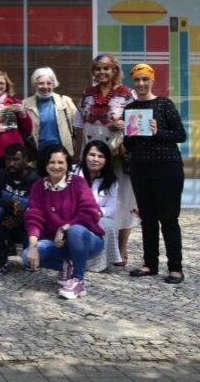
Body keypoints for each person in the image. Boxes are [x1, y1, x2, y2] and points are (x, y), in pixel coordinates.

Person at [123, 63, 187, 284]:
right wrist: (128, 131)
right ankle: (150, 264)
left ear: (152, 80)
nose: (141, 83)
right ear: (133, 82)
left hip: (167, 168)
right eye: (137, 80)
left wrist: (157, 131)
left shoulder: (164, 104)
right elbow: (129, 146)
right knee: (148, 219)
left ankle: (175, 268)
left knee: (168, 219)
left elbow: (181, 135)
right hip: (141, 169)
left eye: (145, 79)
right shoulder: (130, 109)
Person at [75, 53, 137, 267]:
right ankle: (95, 245)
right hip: (92, 154)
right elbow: (79, 127)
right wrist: (77, 156)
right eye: (98, 69)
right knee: (94, 198)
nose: (102, 72)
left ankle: (121, 248)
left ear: (114, 71)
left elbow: (138, 124)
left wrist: (124, 125)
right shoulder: (86, 95)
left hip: (118, 154)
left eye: (106, 68)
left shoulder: (127, 94)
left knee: (122, 199)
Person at [22, 145, 105, 300]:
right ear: (45, 164)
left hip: (87, 240)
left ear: (67, 164)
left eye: (61, 163)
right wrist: (33, 246)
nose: (56, 167)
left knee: (76, 231)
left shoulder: (78, 183)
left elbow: (90, 213)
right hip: (57, 243)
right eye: (52, 162)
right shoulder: (39, 187)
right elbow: (34, 218)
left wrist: (65, 227)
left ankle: (78, 281)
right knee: (27, 256)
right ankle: (66, 265)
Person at [0, 144, 38, 276]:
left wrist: (20, 219)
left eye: (16, 159)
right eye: (8, 159)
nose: (11, 163)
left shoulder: (35, 179)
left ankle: (30, 255)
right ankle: (0, 261)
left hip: (27, 224)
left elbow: (40, 209)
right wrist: (7, 202)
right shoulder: (1, 174)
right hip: (6, 221)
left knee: (32, 217)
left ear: (25, 159)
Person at [76, 140, 123, 272]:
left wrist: (98, 212)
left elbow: (112, 208)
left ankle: (98, 264)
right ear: (85, 156)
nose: (95, 159)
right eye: (92, 155)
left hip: (97, 216)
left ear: (106, 160)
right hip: (74, 216)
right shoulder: (72, 174)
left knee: (109, 225)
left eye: (101, 156)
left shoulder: (111, 181)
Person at [22, 67, 77, 156]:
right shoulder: (25, 104)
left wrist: (77, 152)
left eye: (49, 83)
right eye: (41, 83)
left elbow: (77, 128)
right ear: (35, 85)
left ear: (53, 84)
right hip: (37, 154)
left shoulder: (65, 101)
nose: (45, 87)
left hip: (62, 153)